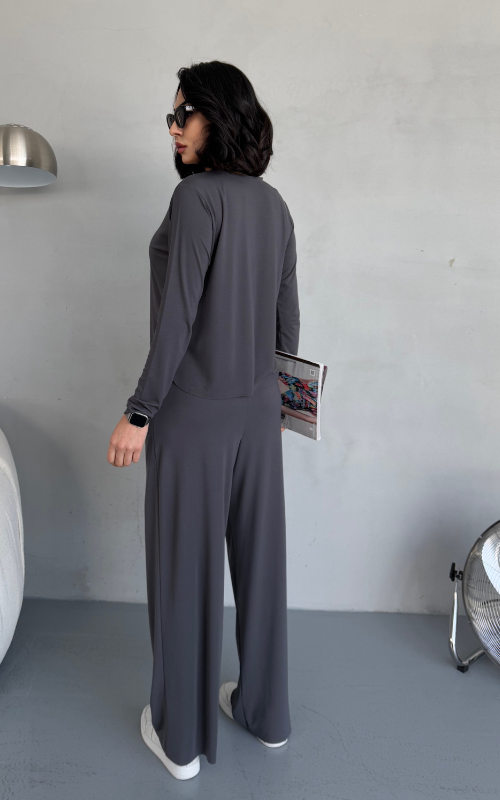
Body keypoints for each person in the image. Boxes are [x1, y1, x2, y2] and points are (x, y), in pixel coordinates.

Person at [107, 60, 300, 780]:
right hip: (259, 410)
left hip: (192, 414)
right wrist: (281, 405)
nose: (174, 129)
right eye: (173, 116)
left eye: (182, 113)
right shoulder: (275, 205)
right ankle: (266, 715)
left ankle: (180, 740)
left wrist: (139, 412)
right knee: (261, 565)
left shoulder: (195, 200)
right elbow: (287, 323)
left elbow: (177, 321)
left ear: (218, 117)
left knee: (184, 573)